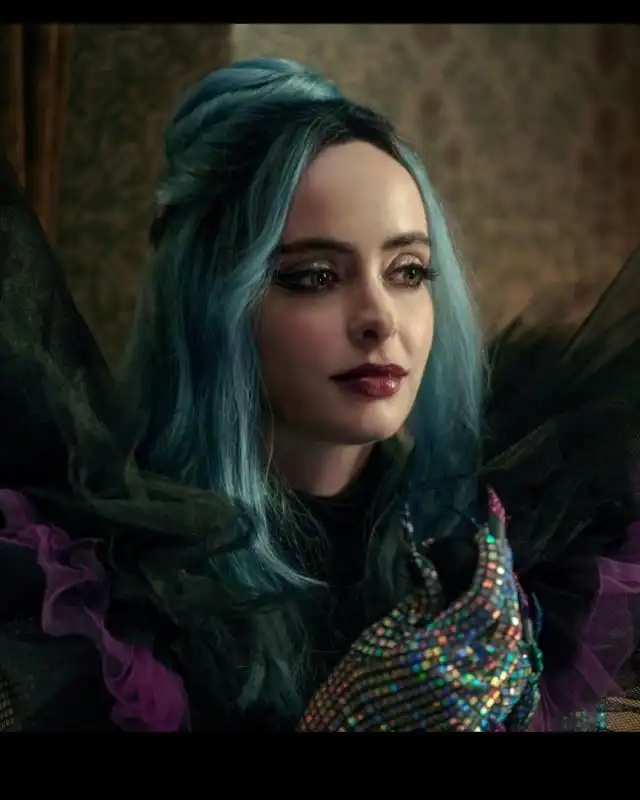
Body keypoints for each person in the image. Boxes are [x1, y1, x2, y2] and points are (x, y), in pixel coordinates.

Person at [0, 57, 639, 732]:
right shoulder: (104, 592)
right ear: (214, 304)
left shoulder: (503, 552)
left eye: (408, 271)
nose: (379, 319)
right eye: (314, 277)